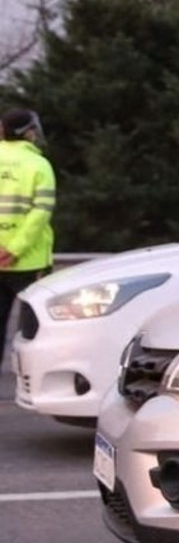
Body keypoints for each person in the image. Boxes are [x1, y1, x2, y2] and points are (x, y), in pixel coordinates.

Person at [0, 108, 54, 365]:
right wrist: (14, 249)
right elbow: (40, 212)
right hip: (29, 263)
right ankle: (32, 377)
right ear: (29, 133)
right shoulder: (39, 165)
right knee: (35, 328)